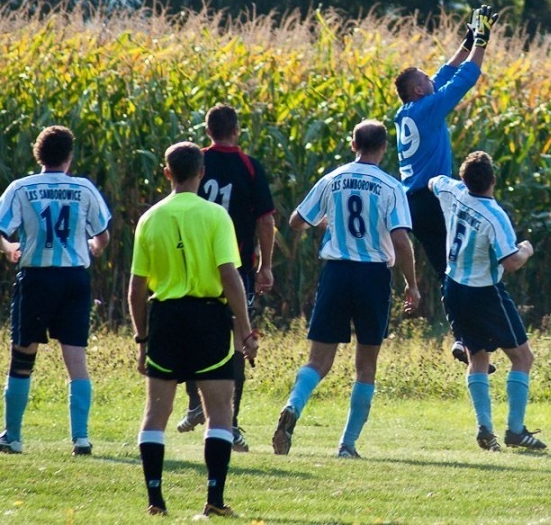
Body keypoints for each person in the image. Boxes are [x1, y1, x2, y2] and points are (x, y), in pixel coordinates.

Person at [271, 119, 420, 458]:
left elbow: (296, 222)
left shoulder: (333, 178)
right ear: (384, 148)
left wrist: (328, 220)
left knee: (319, 360)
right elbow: (400, 237)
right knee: (365, 365)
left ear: (354, 145)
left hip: (336, 273)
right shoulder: (390, 186)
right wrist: (412, 284)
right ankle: (346, 445)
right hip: (372, 277)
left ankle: (293, 405)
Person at [128, 141, 258, 516]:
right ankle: (214, 500)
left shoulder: (150, 218)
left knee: (156, 413)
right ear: (202, 172)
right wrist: (245, 330)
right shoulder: (216, 216)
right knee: (220, 412)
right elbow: (229, 276)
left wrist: (142, 338)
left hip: (165, 318)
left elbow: (136, 288)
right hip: (208, 319)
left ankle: (155, 500)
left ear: (167, 173)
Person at [0, 125, 111, 456]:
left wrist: (9, 247)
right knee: (75, 358)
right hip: (74, 280)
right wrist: (95, 246)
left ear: (38, 154)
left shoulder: (22, 187)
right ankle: (81, 438)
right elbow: (103, 234)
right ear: (70, 156)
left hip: (37, 279)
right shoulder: (83, 188)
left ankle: (13, 436)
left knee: (23, 356)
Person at [394, 5, 498, 368]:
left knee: (447, 270)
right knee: (465, 266)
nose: (431, 78)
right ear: (419, 89)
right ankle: (475, 335)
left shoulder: (405, 112)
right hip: (434, 202)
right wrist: (481, 43)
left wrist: (466, 40)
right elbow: (465, 77)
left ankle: (464, 337)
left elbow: (444, 72)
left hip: (414, 204)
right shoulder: (428, 108)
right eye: (425, 78)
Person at [175, 103, 276, 454]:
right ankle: (229, 424)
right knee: (238, 341)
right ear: (236, 130)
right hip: (236, 268)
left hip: (192, 265)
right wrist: (266, 265)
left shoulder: (194, 162)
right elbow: (265, 220)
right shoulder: (249, 167)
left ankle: (193, 403)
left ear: (208, 131)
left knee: (189, 332)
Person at [430, 151, 547, 452]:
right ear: (493, 180)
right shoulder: (495, 216)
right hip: (484, 292)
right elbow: (510, 262)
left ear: (464, 178)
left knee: (478, 357)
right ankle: (516, 431)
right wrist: (527, 250)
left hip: (453, 287)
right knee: (522, 358)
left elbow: (432, 182)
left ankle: (485, 427)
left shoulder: (453, 190)